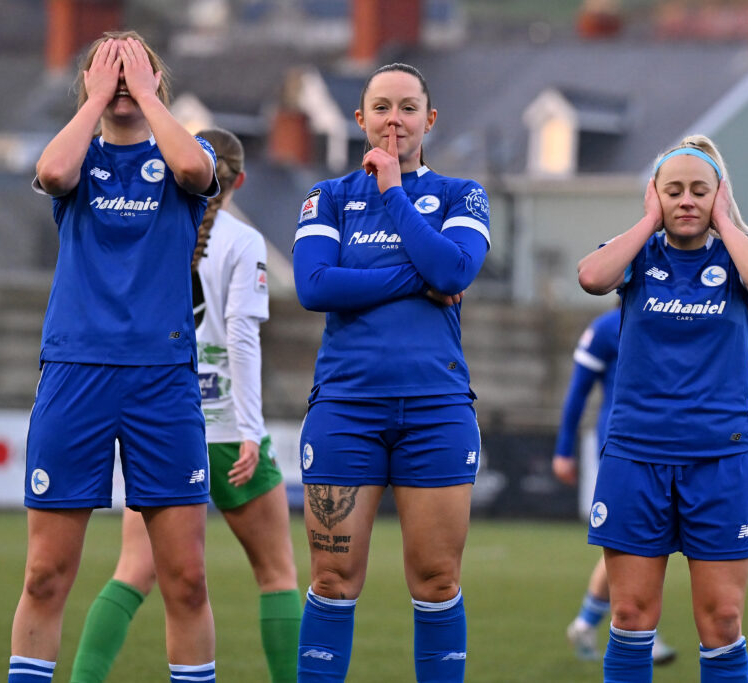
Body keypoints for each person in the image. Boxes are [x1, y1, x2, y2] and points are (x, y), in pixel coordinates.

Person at [9, 32, 220, 683]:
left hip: (163, 379)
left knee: (185, 579)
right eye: (110, 70)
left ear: (160, 85)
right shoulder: (77, 156)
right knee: (45, 574)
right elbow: (50, 174)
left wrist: (150, 99)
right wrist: (98, 97)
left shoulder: (187, 152)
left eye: (140, 70)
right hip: (77, 372)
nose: (125, 79)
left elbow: (196, 173)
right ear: (89, 85)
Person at [68, 128, 302, 683]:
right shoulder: (243, 242)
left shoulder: (148, 229)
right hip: (225, 430)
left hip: (163, 426)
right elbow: (243, 341)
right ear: (241, 180)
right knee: (277, 574)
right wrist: (252, 430)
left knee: (131, 574)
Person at [292, 62, 490, 682]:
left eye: (408, 107)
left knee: (437, 581)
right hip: (346, 411)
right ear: (360, 119)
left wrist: (395, 194)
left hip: (436, 411)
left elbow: (454, 273)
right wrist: (418, 277)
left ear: (429, 120)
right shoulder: (327, 197)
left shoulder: (462, 195)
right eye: (381, 107)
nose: (394, 119)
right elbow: (314, 285)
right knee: (330, 578)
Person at [575, 134, 748, 682]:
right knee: (629, 616)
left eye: (700, 190)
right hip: (636, 457)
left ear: (719, 195)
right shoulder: (636, 257)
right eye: (674, 190)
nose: (687, 200)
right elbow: (591, 277)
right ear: (656, 196)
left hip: (719, 459)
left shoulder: (739, 258)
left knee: (721, 621)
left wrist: (727, 219)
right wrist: (648, 221)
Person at [551, 305, 676, 665]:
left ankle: (588, 623)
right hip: (621, 446)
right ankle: (641, 632)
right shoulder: (607, 328)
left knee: (639, 540)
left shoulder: (678, 318)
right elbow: (578, 391)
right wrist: (563, 451)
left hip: (671, 444)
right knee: (638, 540)